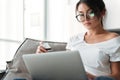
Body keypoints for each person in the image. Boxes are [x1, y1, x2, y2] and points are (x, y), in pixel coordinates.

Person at [36, 0, 120, 80]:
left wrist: (93, 77)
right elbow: (66, 67)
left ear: (102, 12)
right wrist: (42, 57)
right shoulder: (74, 39)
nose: (86, 19)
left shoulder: (113, 40)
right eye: (81, 15)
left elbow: (117, 76)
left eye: (91, 13)